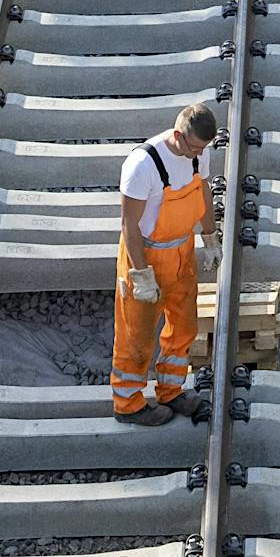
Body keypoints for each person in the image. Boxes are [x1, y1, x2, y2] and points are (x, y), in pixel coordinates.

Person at [111, 102, 219, 425]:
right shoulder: (143, 165)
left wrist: (210, 237)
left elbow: (203, 192)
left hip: (181, 252)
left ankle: (171, 390)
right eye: (196, 148)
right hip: (145, 255)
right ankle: (127, 403)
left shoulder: (198, 153)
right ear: (178, 136)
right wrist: (141, 275)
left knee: (184, 326)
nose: (199, 155)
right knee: (137, 336)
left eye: (204, 149)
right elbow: (130, 225)